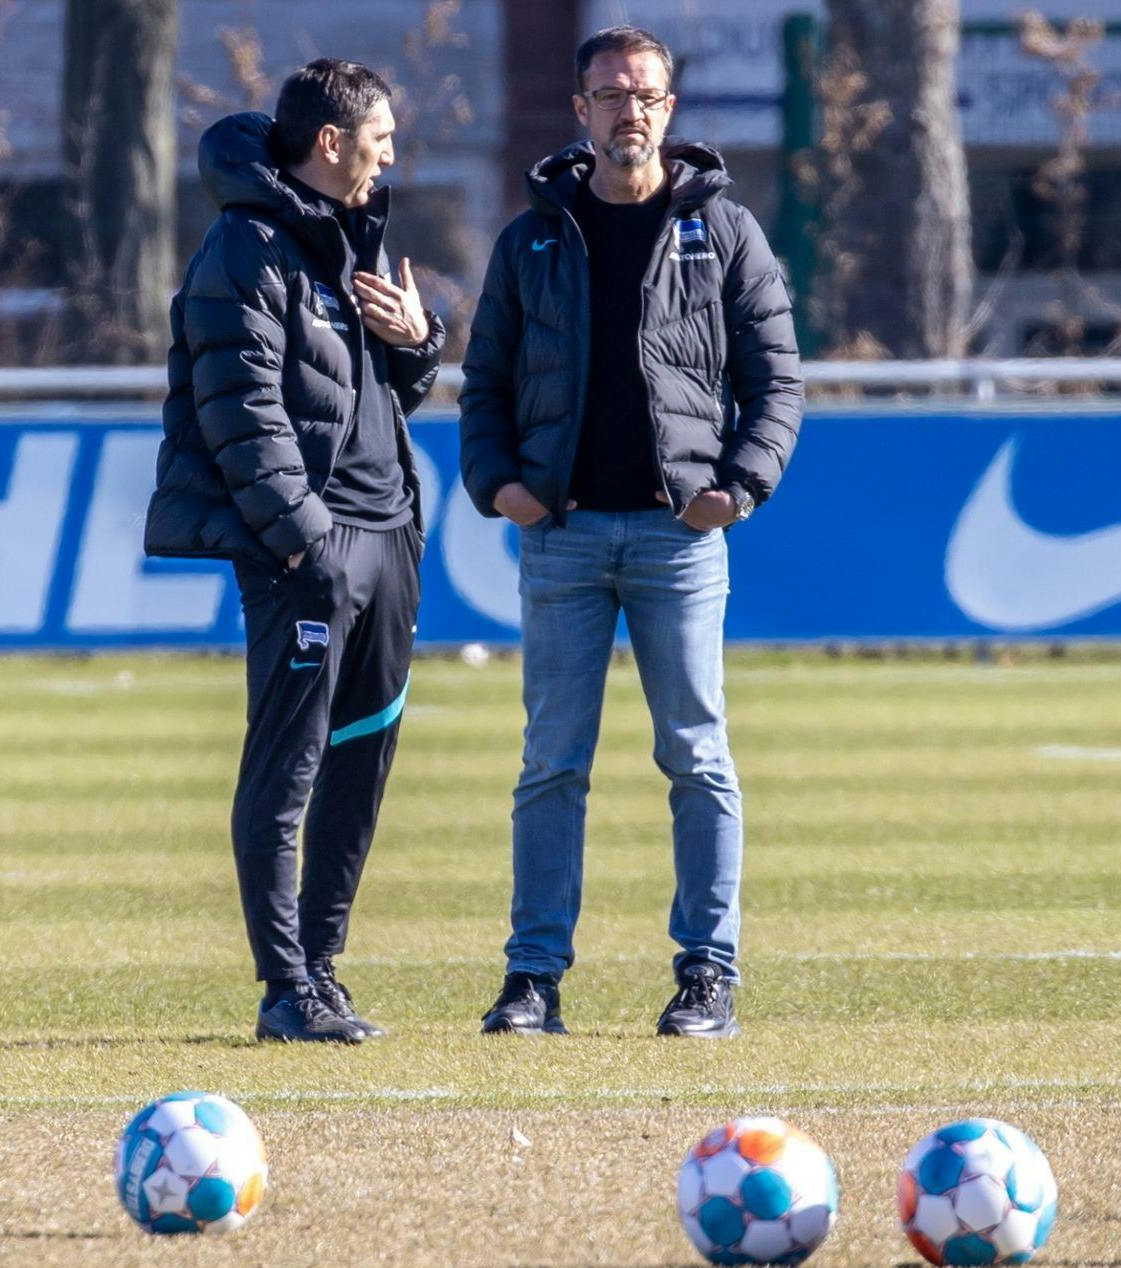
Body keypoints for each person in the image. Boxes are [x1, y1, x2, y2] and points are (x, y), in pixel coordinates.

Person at [459, 26, 803, 1038]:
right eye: (610, 95)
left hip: (676, 538)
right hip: (561, 535)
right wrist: (501, 486)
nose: (629, 111)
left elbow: (777, 382)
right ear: (582, 112)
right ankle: (533, 980)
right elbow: (484, 384)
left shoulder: (724, 230)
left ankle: (708, 975)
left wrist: (738, 487)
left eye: (646, 94)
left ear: (670, 108)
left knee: (696, 755)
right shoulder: (532, 237)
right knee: (551, 765)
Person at [145, 59, 444, 1043]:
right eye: (381, 139)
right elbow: (242, 414)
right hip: (310, 550)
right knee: (290, 764)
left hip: (389, 536)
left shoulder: (354, 233)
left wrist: (417, 342)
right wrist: (307, 542)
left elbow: (378, 393)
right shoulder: (245, 245)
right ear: (330, 141)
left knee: (362, 759)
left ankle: (322, 970)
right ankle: (285, 987)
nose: (390, 156)